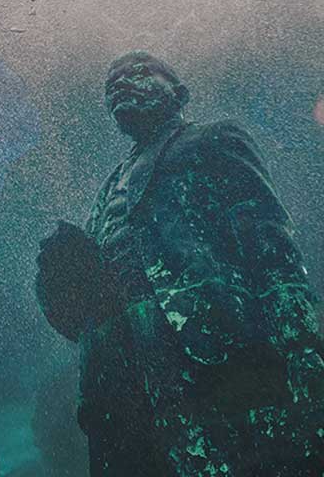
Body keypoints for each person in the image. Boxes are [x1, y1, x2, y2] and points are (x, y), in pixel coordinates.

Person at [35, 51, 324, 476]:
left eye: (138, 73)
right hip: (119, 366)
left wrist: (301, 341)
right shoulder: (105, 189)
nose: (119, 85)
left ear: (179, 92)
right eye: (110, 84)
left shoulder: (214, 139)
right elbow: (83, 309)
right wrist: (61, 275)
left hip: (207, 344)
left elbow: (268, 238)